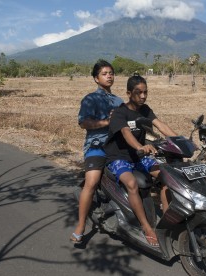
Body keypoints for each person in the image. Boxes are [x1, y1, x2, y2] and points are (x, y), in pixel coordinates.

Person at [104, 74, 177, 247]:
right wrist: (139, 146)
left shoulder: (145, 110)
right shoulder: (120, 113)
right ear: (129, 93)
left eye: (145, 92)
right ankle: (146, 227)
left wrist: (181, 140)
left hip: (138, 156)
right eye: (138, 92)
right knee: (131, 184)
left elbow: (161, 125)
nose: (143, 96)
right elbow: (125, 133)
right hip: (119, 157)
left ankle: (166, 222)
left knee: (169, 177)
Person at [71, 59, 124, 243]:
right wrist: (106, 122)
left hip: (118, 147)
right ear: (96, 78)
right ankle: (81, 224)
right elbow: (83, 123)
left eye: (111, 73)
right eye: (104, 73)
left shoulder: (119, 101)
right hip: (97, 146)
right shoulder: (90, 99)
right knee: (91, 182)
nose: (109, 76)